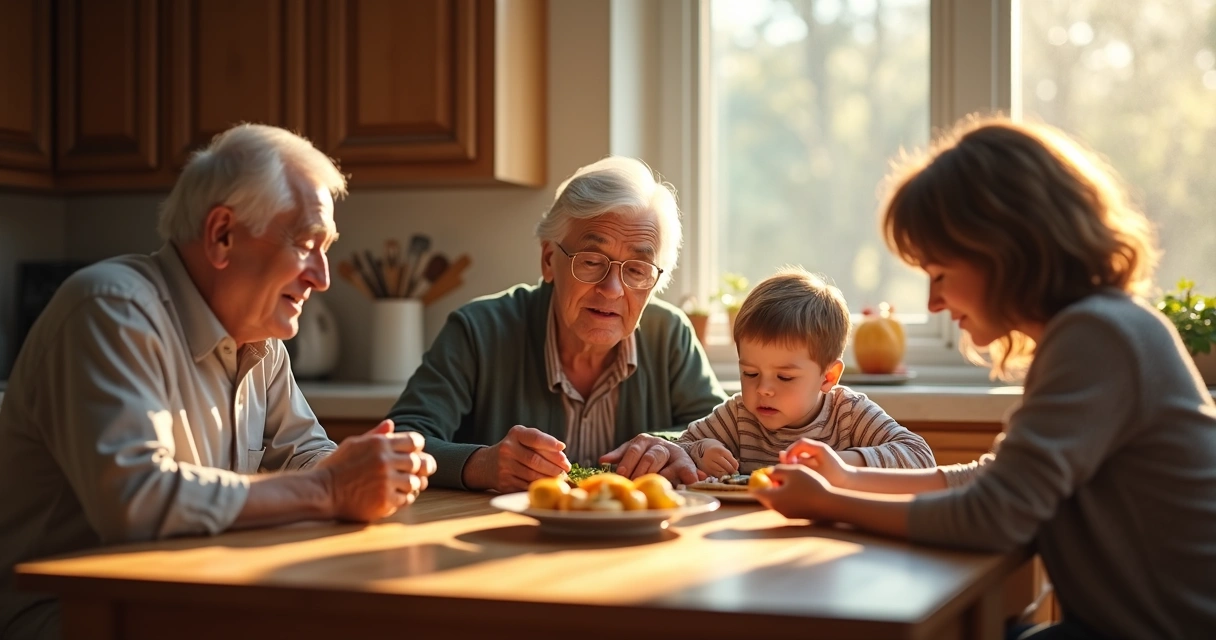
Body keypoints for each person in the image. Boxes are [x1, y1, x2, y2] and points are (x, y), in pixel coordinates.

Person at [753, 117, 1216, 638]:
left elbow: (993, 514)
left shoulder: (1097, 337)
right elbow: (996, 479)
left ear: (1004, 252)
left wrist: (827, 504)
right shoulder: (1099, 328)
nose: (932, 302)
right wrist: (847, 476)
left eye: (940, 274)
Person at [0, 124, 437, 639]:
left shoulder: (260, 342)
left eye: (327, 249)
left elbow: (308, 458)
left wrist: (366, 472)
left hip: (189, 594)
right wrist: (330, 486)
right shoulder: (110, 309)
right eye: (306, 244)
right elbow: (136, 501)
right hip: (68, 615)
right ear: (222, 234)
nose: (322, 276)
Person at [386, 156, 727, 493]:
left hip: (637, 538)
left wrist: (672, 445)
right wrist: (481, 464)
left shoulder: (670, 335)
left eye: (637, 269)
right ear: (549, 260)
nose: (612, 290)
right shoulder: (479, 330)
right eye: (592, 261)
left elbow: (727, 436)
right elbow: (401, 440)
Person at [675, 267, 934, 477]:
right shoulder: (738, 416)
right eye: (750, 373)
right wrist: (700, 451)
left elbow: (920, 456)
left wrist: (840, 463)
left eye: (784, 377)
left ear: (828, 377)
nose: (763, 388)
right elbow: (675, 449)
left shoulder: (848, 415)